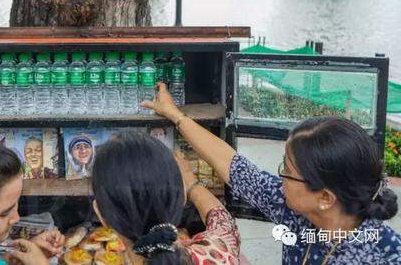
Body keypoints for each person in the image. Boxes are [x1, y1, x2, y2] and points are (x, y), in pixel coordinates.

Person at [142, 82, 401, 264]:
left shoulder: (377, 255)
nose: (279, 179)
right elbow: (237, 168)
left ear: (325, 197)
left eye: (287, 171)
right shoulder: (305, 212)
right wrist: (175, 115)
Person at [92, 131, 240, 265]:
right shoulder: (218, 254)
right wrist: (190, 179)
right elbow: (223, 220)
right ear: (182, 196)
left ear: (101, 214)